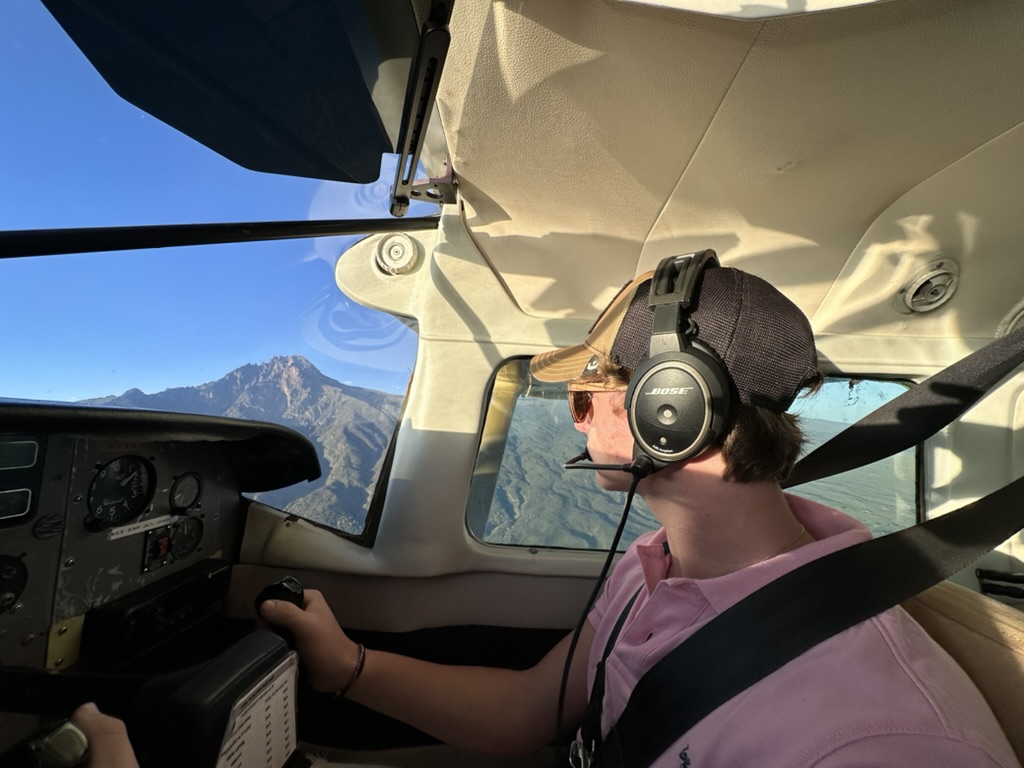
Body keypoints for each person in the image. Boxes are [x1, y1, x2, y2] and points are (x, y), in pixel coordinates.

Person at [69, 262, 1021, 766]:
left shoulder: (880, 741)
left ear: (675, 409)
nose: (568, 409)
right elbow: (529, 710)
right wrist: (346, 667)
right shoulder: (660, 567)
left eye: (590, 390)